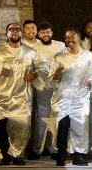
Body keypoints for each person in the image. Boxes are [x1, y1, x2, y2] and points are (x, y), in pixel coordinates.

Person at [0, 22, 45, 165]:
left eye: (18, 29)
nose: (15, 31)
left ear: (21, 33)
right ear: (7, 34)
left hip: (22, 97)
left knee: (22, 127)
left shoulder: (31, 52)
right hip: (1, 98)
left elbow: (44, 68)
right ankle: (5, 155)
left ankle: (17, 155)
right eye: (12, 29)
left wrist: (34, 73)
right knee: (0, 125)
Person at [50, 27, 92, 166]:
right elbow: (51, 79)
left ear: (79, 39)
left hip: (81, 97)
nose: (70, 40)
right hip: (63, 96)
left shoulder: (88, 55)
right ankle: (61, 154)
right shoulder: (59, 56)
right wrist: (57, 74)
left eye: (72, 37)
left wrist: (91, 83)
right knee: (62, 125)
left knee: (80, 126)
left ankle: (79, 155)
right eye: (67, 37)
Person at [29, 22, 65, 159]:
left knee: (55, 118)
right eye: (43, 33)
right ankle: (37, 149)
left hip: (57, 87)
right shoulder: (33, 48)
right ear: (39, 34)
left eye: (47, 32)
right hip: (42, 88)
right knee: (41, 119)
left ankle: (54, 149)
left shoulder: (60, 46)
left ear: (52, 33)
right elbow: (31, 67)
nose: (45, 35)